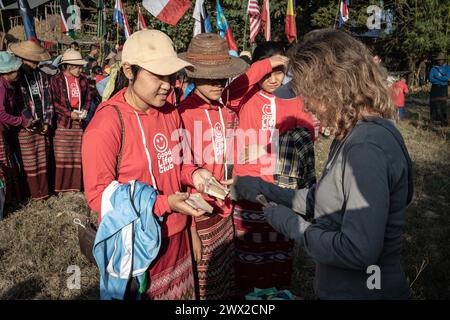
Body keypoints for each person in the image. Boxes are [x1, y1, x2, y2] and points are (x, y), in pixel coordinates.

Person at [231, 29, 413, 300]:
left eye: (308, 93)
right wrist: (262, 188)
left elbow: (357, 250)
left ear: (330, 87)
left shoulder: (365, 147)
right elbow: (323, 200)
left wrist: (293, 225)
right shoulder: (354, 133)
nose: (307, 105)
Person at [82, 29, 215, 300]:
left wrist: (198, 175)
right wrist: (164, 204)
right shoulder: (106, 125)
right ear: (130, 71)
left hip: (177, 237)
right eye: (158, 75)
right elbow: (98, 197)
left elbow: (181, 165)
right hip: (138, 247)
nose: (168, 84)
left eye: (171, 76)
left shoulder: (169, 113)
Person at [222, 41, 315, 297]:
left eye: (279, 72)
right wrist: (270, 63)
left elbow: (305, 138)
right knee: (247, 254)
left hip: (281, 190)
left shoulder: (293, 100)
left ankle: (278, 294)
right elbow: (230, 92)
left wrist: (267, 148)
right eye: (268, 72)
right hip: (248, 188)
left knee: (279, 254)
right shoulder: (244, 97)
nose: (274, 78)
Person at [178, 33, 248, 299]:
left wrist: (235, 171)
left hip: (225, 208)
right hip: (199, 211)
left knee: (224, 273)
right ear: (193, 75)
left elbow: (233, 154)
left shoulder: (228, 113)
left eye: (222, 75)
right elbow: (179, 175)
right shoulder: (181, 114)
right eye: (210, 76)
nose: (218, 83)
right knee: (205, 279)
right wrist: (192, 229)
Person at [9, 40, 54, 200]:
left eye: (37, 61)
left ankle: (44, 192)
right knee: (29, 161)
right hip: (26, 127)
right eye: (33, 61)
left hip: (42, 123)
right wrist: (29, 122)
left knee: (42, 159)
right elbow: (17, 103)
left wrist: (47, 121)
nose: (36, 64)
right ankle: (32, 194)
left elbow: (48, 98)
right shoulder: (16, 77)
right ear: (23, 59)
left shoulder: (41, 75)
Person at [51, 49, 90, 193]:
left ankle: (75, 186)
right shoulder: (56, 80)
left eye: (80, 67)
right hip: (63, 123)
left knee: (76, 156)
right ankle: (61, 188)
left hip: (78, 123)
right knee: (62, 156)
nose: (80, 69)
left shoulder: (83, 80)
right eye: (77, 67)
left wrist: (84, 110)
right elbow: (54, 103)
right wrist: (69, 114)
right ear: (68, 66)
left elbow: (88, 99)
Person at [0, 52, 27, 216]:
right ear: (6, 72)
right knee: (5, 166)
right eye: (15, 70)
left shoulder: (8, 86)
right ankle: (7, 201)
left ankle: (9, 199)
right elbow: (1, 114)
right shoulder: (1, 87)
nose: (18, 73)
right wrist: (21, 121)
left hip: (3, 131)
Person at [429, 52, 450, 126]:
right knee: (434, 104)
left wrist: (437, 78)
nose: (439, 61)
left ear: (444, 60)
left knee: (443, 105)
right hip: (435, 88)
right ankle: (433, 120)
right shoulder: (433, 69)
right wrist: (441, 79)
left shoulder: (448, 68)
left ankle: (443, 121)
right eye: (438, 60)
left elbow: (447, 78)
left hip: (444, 89)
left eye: (441, 59)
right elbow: (431, 78)